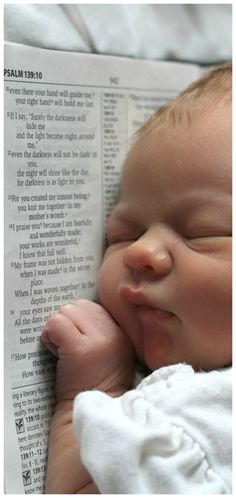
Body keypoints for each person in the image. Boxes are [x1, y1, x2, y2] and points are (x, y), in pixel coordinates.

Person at [41, 63, 232, 494]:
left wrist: (90, 395)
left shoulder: (204, 417)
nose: (140, 251)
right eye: (123, 234)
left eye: (202, 232)